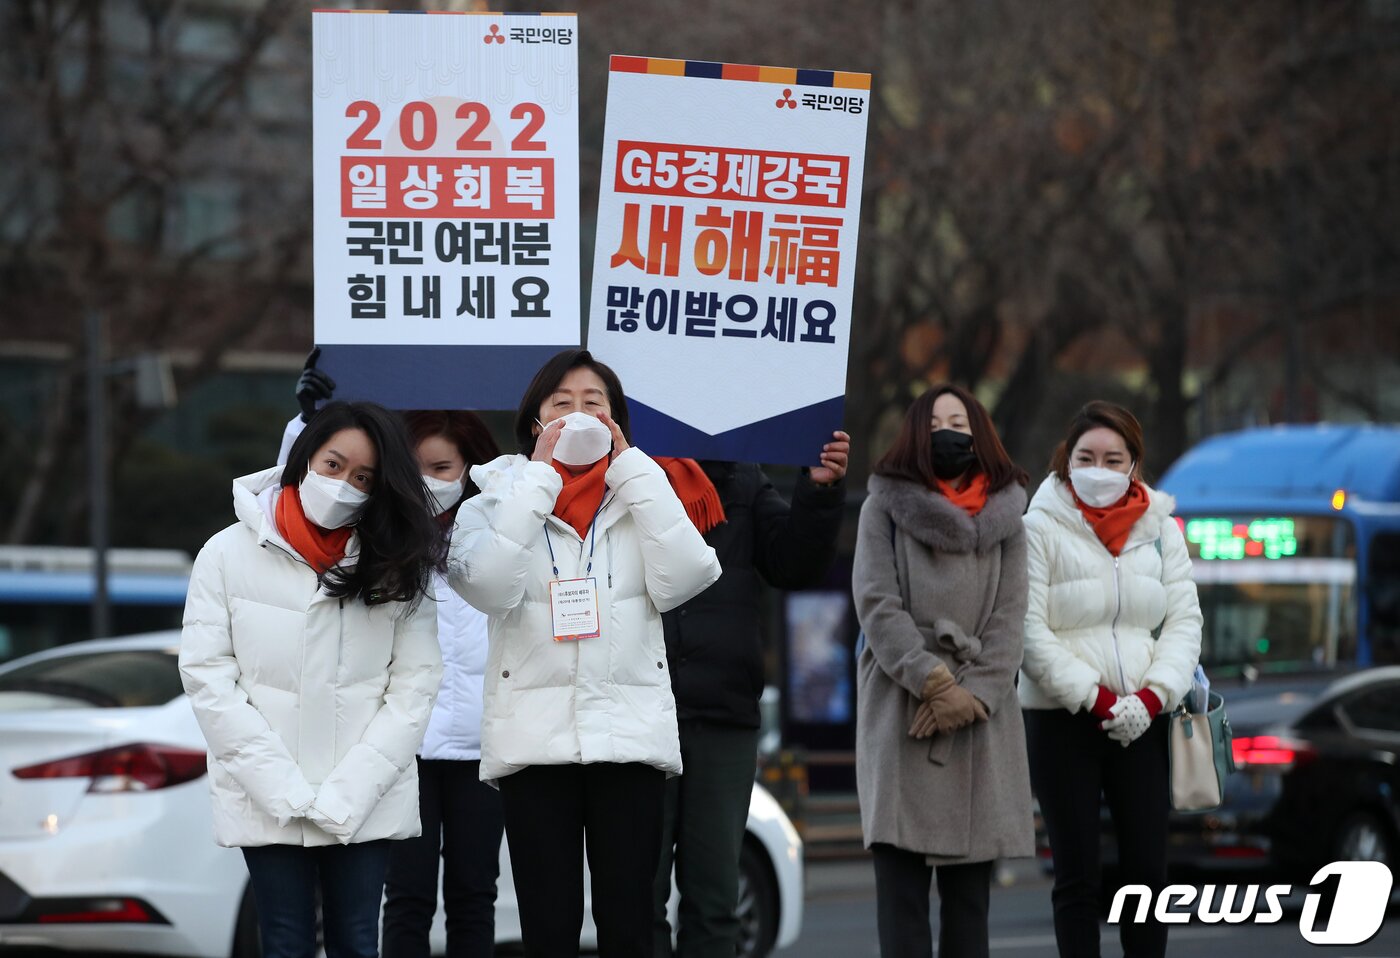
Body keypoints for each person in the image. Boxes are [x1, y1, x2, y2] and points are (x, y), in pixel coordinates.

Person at [449, 349, 722, 958]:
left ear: (618, 421)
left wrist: (632, 470)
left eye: (593, 404)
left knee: (630, 923)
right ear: (533, 423)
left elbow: (690, 576)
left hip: (627, 741)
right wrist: (538, 481)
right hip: (534, 747)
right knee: (549, 927)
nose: (577, 416)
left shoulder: (645, 495)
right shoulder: (493, 498)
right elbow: (487, 587)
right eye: (561, 405)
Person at [180, 400, 445, 958]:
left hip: (365, 797)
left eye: (363, 477)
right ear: (304, 457)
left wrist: (350, 791)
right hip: (265, 793)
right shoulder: (226, 554)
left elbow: (415, 688)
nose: (343, 484)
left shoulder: (395, 562)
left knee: (356, 941)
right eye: (333, 464)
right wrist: (280, 787)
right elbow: (208, 678)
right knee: (283, 940)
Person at [287, 363, 507, 958]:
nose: (431, 481)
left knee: (473, 896)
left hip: (481, 746)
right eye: (418, 469)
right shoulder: (381, 534)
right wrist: (303, 424)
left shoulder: (498, 533)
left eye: (444, 469)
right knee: (405, 898)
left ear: (472, 469)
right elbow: (294, 506)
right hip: (402, 745)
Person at [852, 384, 1035, 958]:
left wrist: (972, 696)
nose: (948, 433)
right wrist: (933, 682)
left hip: (981, 721)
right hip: (903, 710)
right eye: (934, 425)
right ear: (912, 436)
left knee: (970, 911)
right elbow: (876, 604)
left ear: (981, 433)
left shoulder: (1010, 519)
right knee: (901, 910)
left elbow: (1011, 621)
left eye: (959, 421)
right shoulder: (883, 506)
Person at [652, 434, 850, 958]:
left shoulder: (740, 474)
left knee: (715, 901)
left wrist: (819, 490)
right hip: (640, 715)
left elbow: (794, 563)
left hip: (723, 718)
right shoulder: (619, 475)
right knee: (636, 903)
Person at [1020, 400, 1203, 958]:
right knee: (1077, 876)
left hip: (1146, 723)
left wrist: (1150, 699)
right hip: (1062, 719)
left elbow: (1184, 621)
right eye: (1086, 456)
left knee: (1147, 879)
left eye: (1112, 458)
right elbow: (1028, 629)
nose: (1097, 468)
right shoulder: (1036, 526)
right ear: (1066, 460)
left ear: (1134, 466)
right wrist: (1098, 699)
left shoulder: (1162, 530)